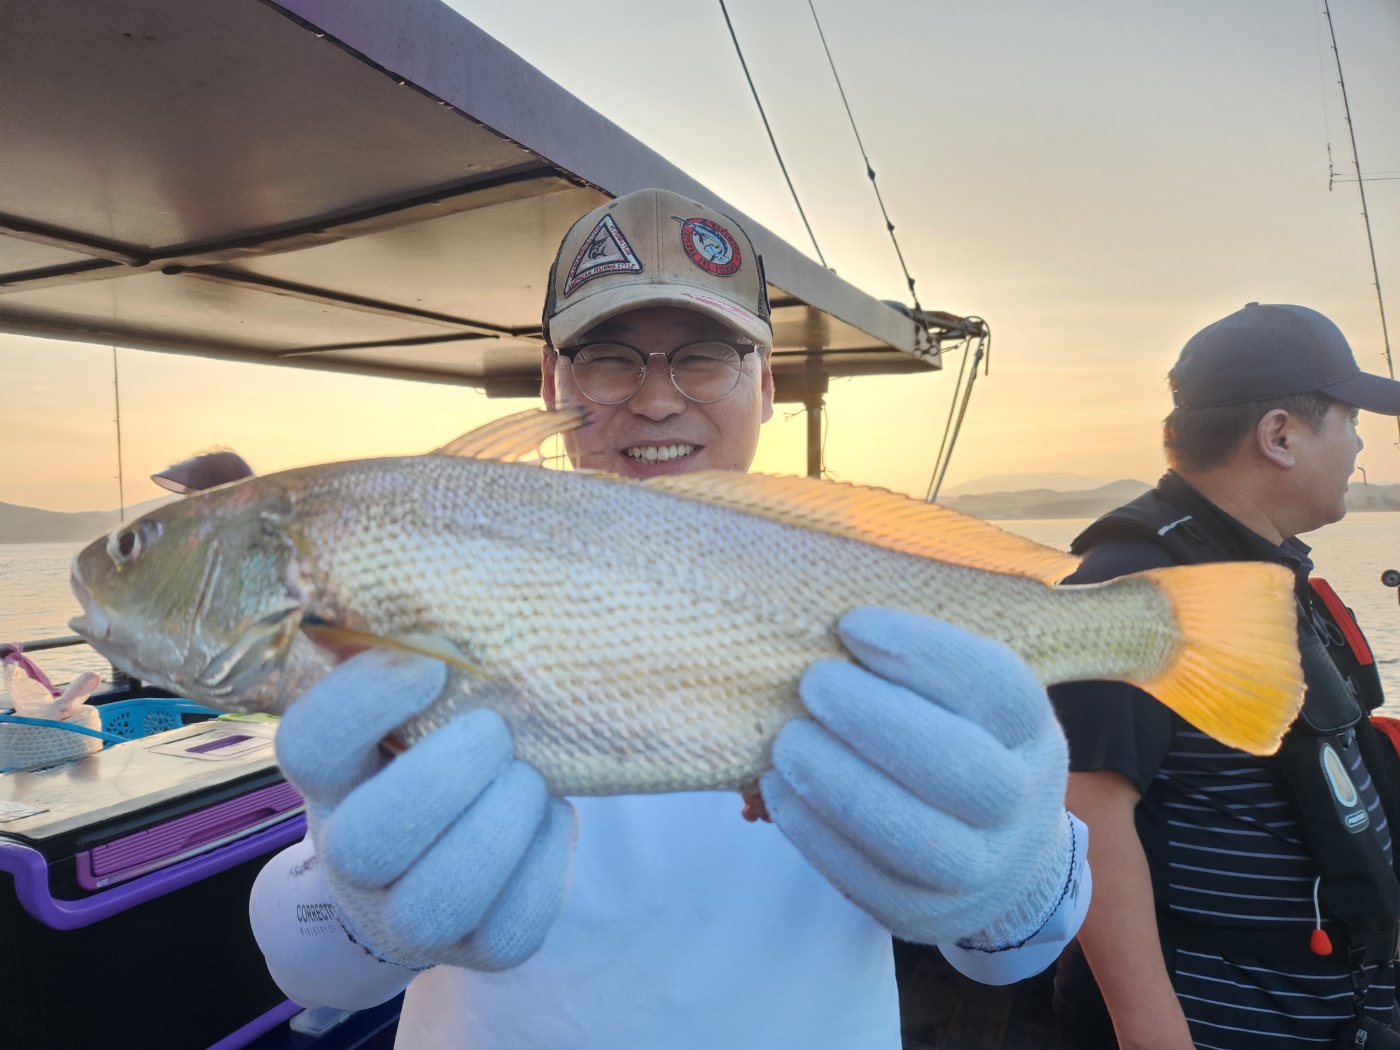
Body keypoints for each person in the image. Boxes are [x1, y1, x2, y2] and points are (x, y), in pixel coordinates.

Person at [249, 187, 1090, 1048]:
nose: (656, 400)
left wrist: (1020, 874)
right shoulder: (425, 586)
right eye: (607, 357)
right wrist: (359, 904)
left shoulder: (873, 584)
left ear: (767, 383)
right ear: (551, 381)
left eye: (707, 355)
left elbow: (1016, 951)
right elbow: (312, 975)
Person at [1050, 302, 1400, 1048]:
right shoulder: (1139, 584)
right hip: (1222, 1019)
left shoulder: (1253, 567)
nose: (1360, 442)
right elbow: (1086, 815)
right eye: (1349, 419)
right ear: (1279, 435)